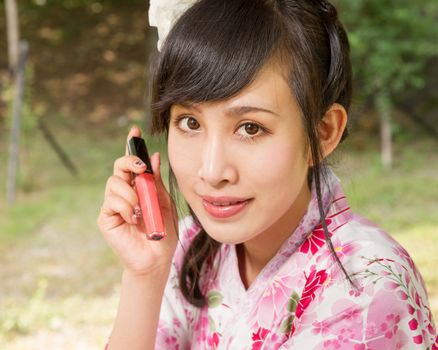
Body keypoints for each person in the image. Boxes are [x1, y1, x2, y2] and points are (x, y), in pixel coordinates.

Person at [97, 0, 437, 349]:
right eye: (190, 123)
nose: (212, 172)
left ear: (322, 133)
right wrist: (146, 275)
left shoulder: (366, 286)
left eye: (250, 128)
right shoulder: (189, 247)